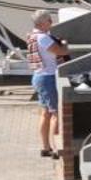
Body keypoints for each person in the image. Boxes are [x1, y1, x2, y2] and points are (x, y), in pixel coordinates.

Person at [27, 9, 67, 159]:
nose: (51, 22)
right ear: (42, 22)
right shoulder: (43, 38)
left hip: (39, 76)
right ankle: (56, 149)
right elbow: (61, 51)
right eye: (49, 20)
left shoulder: (33, 35)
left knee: (46, 113)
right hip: (48, 78)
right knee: (56, 113)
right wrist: (66, 43)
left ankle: (45, 147)